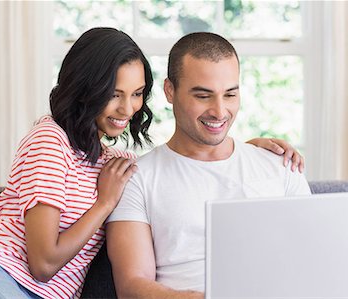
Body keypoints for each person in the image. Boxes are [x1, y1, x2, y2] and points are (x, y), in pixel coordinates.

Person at [0, 28, 302, 299]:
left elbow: (195, 160)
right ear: (88, 88)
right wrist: (104, 204)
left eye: (137, 94)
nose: (128, 108)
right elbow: (43, 263)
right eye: (114, 94)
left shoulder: (118, 162)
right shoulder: (51, 139)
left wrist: (250, 152)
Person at [106, 32, 311, 299]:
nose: (219, 111)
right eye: (203, 96)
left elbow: (310, 260)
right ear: (170, 91)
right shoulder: (136, 179)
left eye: (230, 95)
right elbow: (132, 286)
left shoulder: (281, 166)